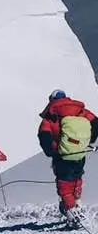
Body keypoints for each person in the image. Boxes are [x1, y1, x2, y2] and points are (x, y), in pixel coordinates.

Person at [38, 90, 98, 221]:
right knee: (77, 178)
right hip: (80, 153)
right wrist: (88, 140)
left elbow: (44, 135)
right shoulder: (80, 111)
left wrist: (53, 151)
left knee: (64, 185)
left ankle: (72, 213)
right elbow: (95, 122)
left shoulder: (51, 116)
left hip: (62, 155)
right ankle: (77, 205)